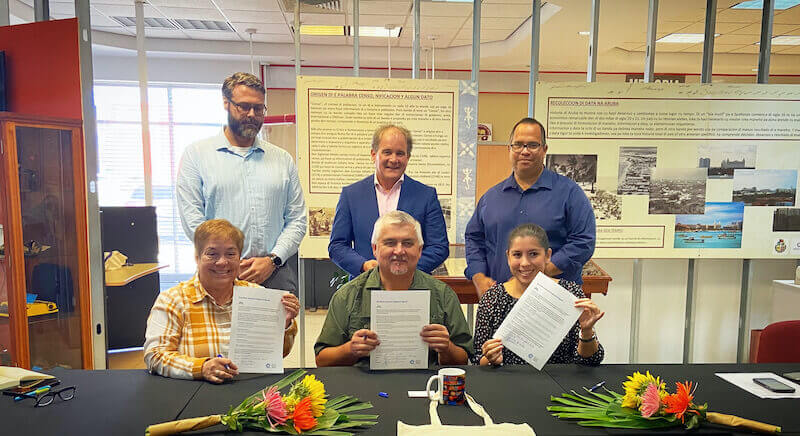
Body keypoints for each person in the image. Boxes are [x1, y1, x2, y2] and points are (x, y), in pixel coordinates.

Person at [176, 72, 306, 291]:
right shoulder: (197, 155)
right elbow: (192, 219)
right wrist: (226, 260)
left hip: (274, 273)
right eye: (244, 107)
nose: (252, 115)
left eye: (258, 108)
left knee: (280, 327)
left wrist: (273, 260)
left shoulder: (282, 159)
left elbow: (297, 219)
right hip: (218, 273)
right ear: (226, 104)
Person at [144, 219, 300, 382]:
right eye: (212, 254)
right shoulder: (173, 300)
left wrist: (284, 324)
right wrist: (201, 367)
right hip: (192, 393)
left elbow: (279, 354)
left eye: (231, 254)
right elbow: (155, 356)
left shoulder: (257, 296)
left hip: (250, 392)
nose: (222, 262)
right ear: (197, 258)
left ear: (240, 258)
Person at [315, 211, 471, 367]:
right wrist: (350, 349)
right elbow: (322, 361)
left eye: (408, 243)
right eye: (390, 243)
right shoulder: (348, 295)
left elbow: (464, 359)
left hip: (425, 386)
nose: (399, 251)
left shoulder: (442, 294)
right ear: (375, 248)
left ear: (420, 250)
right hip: (365, 385)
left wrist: (446, 348)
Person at [465, 117, 595, 296]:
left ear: (544, 150)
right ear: (509, 149)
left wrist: (539, 271)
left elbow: (583, 242)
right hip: (502, 300)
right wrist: (478, 276)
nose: (524, 151)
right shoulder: (491, 198)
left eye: (532, 145)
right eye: (518, 145)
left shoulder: (570, 194)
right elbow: (474, 239)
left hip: (555, 299)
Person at [472, 223, 604, 366]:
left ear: (547, 255)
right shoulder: (493, 298)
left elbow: (590, 360)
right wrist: (490, 358)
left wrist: (586, 331)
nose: (525, 263)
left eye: (533, 254)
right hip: (507, 382)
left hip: (559, 384)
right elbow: (478, 360)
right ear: (508, 257)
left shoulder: (569, 293)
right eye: (517, 254)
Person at [328, 124, 449, 278]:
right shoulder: (351, 195)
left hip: (413, 286)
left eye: (400, 153)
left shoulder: (426, 195)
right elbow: (337, 246)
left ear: (408, 157)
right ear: (373, 154)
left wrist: (404, 269)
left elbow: (439, 247)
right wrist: (364, 266)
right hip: (365, 285)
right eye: (387, 152)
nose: (394, 159)